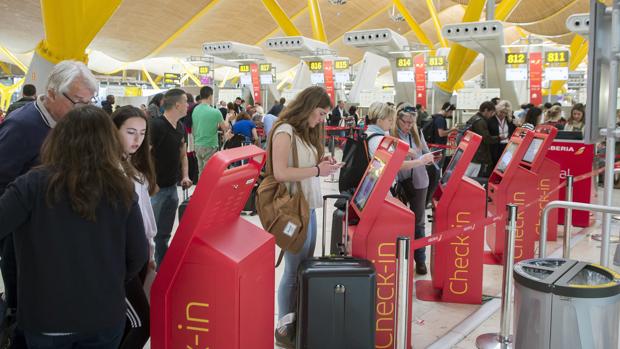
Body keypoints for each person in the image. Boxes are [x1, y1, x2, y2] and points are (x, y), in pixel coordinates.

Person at [0, 105, 148, 348]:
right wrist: (107, 278)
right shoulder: (121, 188)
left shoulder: (31, 185)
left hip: (46, 316)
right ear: (109, 142)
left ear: (58, 139)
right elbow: (137, 255)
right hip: (104, 314)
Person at [0, 60, 98, 346]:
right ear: (52, 92)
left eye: (88, 103)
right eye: (77, 102)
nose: (82, 111)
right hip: (26, 241)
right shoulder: (22, 127)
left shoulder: (67, 123)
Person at [271, 86, 341, 346]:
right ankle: (283, 327)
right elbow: (280, 173)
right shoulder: (284, 131)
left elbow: (305, 166)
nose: (323, 119)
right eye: (321, 113)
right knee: (293, 269)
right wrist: (315, 169)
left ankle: (296, 320)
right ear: (309, 107)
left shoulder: (304, 133)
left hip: (307, 206)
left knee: (303, 266)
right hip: (292, 209)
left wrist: (323, 163)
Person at [112, 106, 157, 349]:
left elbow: (146, 218)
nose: (137, 139)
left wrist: (149, 252)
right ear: (113, 130)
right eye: (130, 132)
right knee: (141, 323)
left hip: (139, 257)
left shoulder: (131, 165)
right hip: (123, 262)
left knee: (131, 324)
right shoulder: (111, 169)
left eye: (142, 133)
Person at [149, 88, 193, 267]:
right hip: (155, 190)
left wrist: (185, 176)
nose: (188, 106)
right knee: (150, 234)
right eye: (186, 102)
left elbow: (182, 154)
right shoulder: (156, 126)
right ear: (177, 104)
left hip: (172, 187)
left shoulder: (180, 127)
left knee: (164, 233)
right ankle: (147, 271)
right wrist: (151, 183)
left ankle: (162, 268)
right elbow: (145, 155)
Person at [392, 103, 436, 275]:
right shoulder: (391, 134)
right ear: (398, 119)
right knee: (399, 220)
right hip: (400, 181)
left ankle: (420, 260)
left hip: (419, 181)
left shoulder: (417, 133)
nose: (409, 125)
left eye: (412, 122)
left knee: (419, 222)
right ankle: (401, 258)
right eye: (406, 122)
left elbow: (425, 151)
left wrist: (430, 157)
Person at [192, 86, 229, 177]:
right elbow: (225, 128)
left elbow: (196, 126)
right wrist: (227, 118)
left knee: (201, 172)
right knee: (209, 174)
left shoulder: (195, 110)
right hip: (210, 145)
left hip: (197, 144)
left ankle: (201, 190)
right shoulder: (215, 112)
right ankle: (207, 190)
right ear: (210, 96)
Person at [465, 101, 500, 178]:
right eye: (491, 113)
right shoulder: (480, 122)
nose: (491, 115)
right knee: (472, 178)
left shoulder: (474, 118)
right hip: (477, 156)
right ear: (486, 110)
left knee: (467, 177)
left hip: (471, 152)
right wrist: (499, 138)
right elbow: (486, 139)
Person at [488, 100, 517, 169]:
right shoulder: (491, 120)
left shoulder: (510, 119)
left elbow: (513, 131)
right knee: (495, 165)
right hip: (495, 146)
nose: (503, 114)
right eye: (501, 112)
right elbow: (488, 135)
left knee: (505, 166)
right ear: (497, 110)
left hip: (507, 146)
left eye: (505, 113)